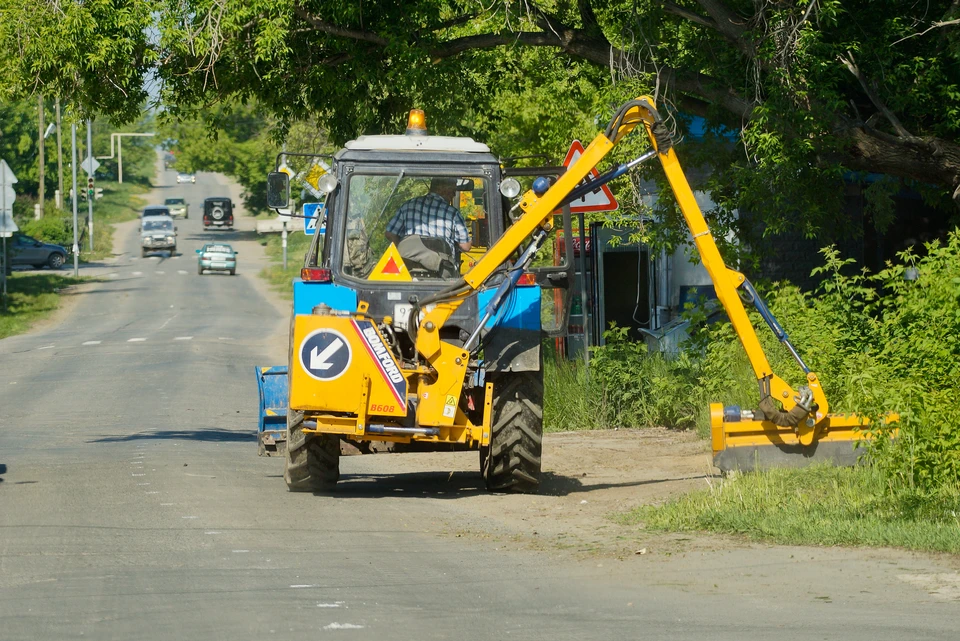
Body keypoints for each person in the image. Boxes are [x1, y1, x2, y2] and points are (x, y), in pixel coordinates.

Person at [385, 178, 472, 252]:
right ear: (441, 188)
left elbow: (390, 233)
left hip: (408, 267)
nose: (454, 194)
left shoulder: (408, 206)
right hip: (441, 268)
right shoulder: (453, 213)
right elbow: (466, 246)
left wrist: (402, 251)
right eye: (452, 190)